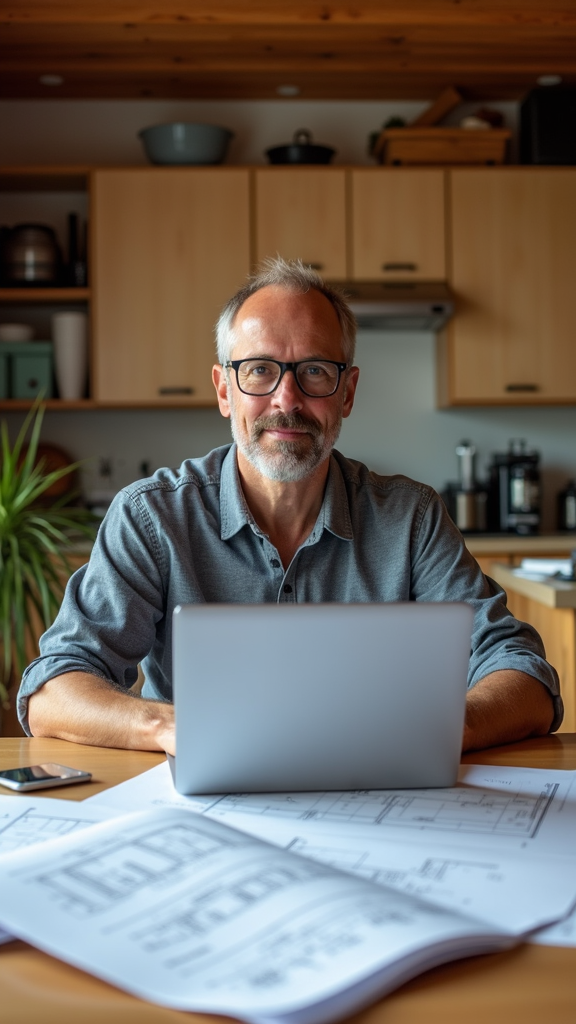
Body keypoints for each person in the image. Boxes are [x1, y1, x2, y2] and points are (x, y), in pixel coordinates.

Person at [20, 258, 561, 756]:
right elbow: (54, 689)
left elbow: (523, 672)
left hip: (379, 797)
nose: (286, 399)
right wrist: (175, 728)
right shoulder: (152, 517)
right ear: (224, 390)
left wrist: (447, 727)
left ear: (347, 393)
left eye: (315, 372)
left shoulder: (412, 518)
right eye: (259, 370)